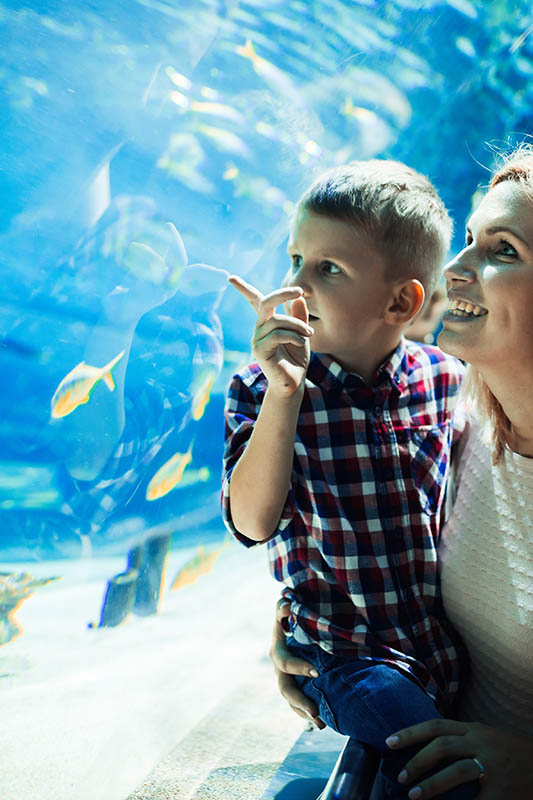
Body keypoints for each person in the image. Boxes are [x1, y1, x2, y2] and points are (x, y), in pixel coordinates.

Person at [271, 146, 533, 799]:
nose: (455, 269)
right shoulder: (455, 424)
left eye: (502, 250)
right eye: (468, 240)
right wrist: (319, 636)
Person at [222, 160, 477, 799]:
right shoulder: (258, 388)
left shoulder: (446, 380)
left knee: (412, 762)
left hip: (438, 647)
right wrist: (284, 393)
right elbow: (252, 522)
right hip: (343, 655)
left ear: (401, 302)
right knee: (430, 761)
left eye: (328, 269)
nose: (295, 286)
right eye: (295, 259)